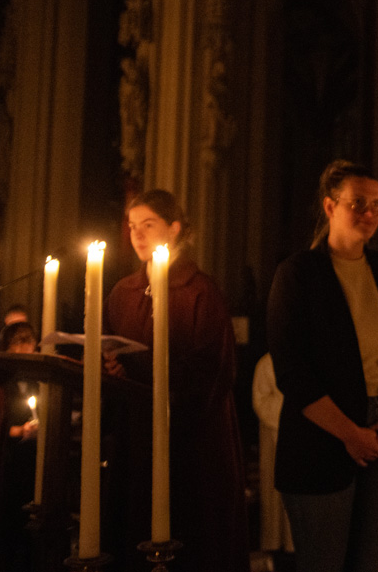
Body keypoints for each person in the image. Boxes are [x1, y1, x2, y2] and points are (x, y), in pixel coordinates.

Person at [267, 160, 378, 572]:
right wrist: (350, 434)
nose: (370, 213)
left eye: (377, 205)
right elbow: (293, 370)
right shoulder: (298, 273)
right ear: (330, 206)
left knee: (369, 561)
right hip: (321, 437)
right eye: (358, 203)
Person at [103, 189, 248, 572]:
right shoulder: (122, 293)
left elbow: (212, 372)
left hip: (192, 443)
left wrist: (138, 369)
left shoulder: (200, 292)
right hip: (136, 438)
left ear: (175, 228)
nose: (137, 234)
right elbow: (107, 353)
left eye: (148, 225)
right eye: (132, 226)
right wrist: (110, 368)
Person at [0, 321, 39, 571]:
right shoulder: (2, 383)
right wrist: (19, 431)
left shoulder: (38, 380)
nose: (26, 346)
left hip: (32, 462)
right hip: (8, 463)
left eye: (29, 340)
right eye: (18, 341)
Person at [250, 353, 294, 562]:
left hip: (300, 436)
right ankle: (275, 543)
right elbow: (261, 399)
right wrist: (287, 412)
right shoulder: (266, 363)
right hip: (274, 435)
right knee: (274, 491)